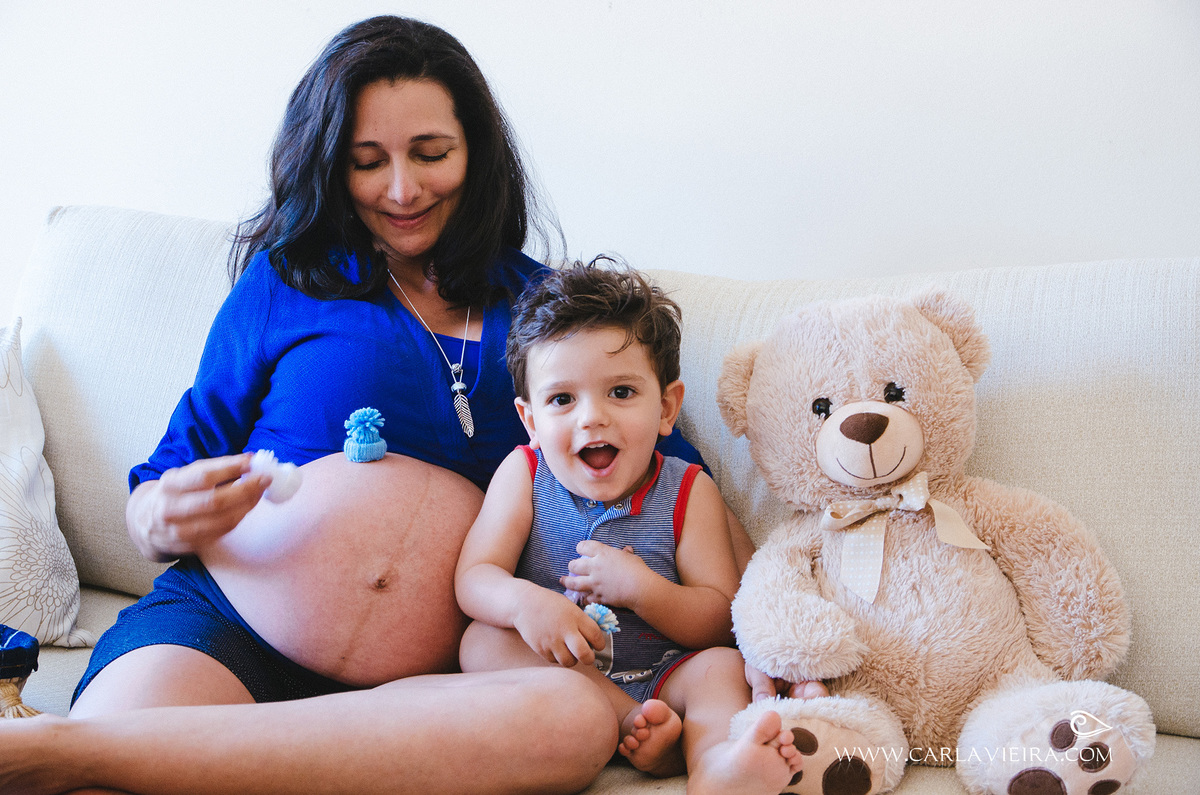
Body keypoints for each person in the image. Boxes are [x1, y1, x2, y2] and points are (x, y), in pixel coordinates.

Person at [0, 15, 819, 795]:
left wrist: (768, 637)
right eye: (368, 161)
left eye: (431, 153)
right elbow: (172, 468)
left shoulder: (550, 317)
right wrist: (156, 517)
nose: (402, 188)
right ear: (330, 165)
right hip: (228, 630)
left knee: (571, 718)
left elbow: (680, 484)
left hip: (440, 684)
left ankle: (110, 749)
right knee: (117, 746)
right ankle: (110, 748)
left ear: (477, 153)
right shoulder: (284, 283)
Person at [456, 262, 804, 794]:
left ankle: (715, 764)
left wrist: (642, 589)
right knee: (481, 642)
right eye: (562, 399)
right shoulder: (523, 474)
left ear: (666, 408)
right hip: (567, 674)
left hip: (670, 672)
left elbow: (720, 617)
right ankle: (630, 725)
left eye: (620, 392)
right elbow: (475, 577)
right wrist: (525, 603)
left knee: (721, 667)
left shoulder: (689, 489)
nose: (591, 417)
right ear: (530, 422)